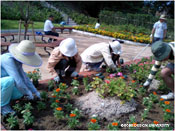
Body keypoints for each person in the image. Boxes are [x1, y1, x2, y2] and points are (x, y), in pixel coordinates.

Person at [1, 40, 42, 116]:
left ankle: (6, 99)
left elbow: (24, 77)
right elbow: (17, 80)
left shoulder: (17, 61)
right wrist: (28, 93)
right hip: (3, 82)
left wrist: (35, 91)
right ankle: (3, 107)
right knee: (10, 81)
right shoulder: (7, 59)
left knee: (20, 93)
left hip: (2, 84)